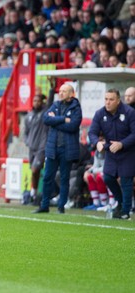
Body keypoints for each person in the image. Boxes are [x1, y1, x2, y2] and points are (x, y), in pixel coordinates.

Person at [34, 83, 82, 214]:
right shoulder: (55, 104)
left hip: (67, 149)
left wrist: (55, 122)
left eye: (64, 91)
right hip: (52, 148)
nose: (60, 93)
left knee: (64, 178)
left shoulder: (76, 108)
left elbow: (72, 126)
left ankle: (61, 207)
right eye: (60, 91)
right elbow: (46, 119)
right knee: (47, 177)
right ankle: (44, 205)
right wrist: (63, 119)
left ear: (71, 94)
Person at [88, 88, 135, 220]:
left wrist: (122, 144)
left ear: (118, 101)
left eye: (111, 99)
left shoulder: (130, 112)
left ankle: (125, 211)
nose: (107, 102)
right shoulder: (100, 113)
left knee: (126, 181)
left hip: (128, 152)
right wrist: (97, 143)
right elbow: (92, 132)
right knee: (108, 177)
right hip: (111, 152)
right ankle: (120, 203)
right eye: (106, 99)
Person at [24, 80, 55, 203]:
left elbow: (50, 103)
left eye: (38, 101)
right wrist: (27, 142)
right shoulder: (29, 115)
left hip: (42, 147)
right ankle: (34, 193)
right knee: (34, 172)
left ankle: (40, 193)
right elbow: (25, 132)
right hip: (31, 147)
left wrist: (51, 90)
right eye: (34, 101)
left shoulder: (44, 113)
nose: (36, 103)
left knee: (35, 169)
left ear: (42, 102)